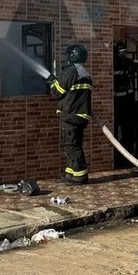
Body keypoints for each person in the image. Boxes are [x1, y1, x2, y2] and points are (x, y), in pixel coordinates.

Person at [47, 44, 93, 184]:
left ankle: (79, 176)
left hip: (71, 116)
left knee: (72, 146)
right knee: (72, 145)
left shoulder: (71, 71)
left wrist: (51, 82)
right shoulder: (84, 72)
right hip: (79, 116)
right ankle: (70, 173)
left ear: (72, 55)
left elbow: (57, 92)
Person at [112, 41, 138, 164]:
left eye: (125, 52)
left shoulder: (127, 62)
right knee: (116, 130)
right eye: (122, 52)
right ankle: (117, 155)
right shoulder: (114, 64)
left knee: (127, 129)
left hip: (127, 103)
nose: (124, 54)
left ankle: (127, 155)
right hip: (116, 104)